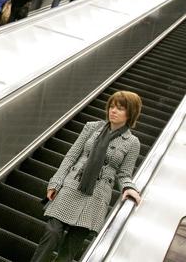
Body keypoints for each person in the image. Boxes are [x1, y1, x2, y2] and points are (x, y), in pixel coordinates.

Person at [30, 91, 143, 262]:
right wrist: (56, 182)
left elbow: (124, 173)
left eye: (119, 109)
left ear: (131, 113)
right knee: (52, 233)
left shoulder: (132, 143)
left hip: (96, 198)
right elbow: (71, 156)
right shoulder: (92, 127)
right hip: (71, 186)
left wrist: (129, 187)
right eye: (112, 106)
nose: (113, 111)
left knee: (69, 251)